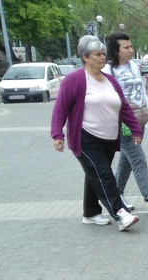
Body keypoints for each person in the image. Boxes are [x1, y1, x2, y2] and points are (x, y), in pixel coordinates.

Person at [50, 35, 142, 232]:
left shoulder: (110, 80)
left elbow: (124, 107)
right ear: (85, 57)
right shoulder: (74, 80)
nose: (103, 57)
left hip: (108, 138)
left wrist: (135, 128)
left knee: (96, 174)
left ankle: (90, 213)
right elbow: (60, 108)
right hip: (85, 138)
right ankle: (120, 213)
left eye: (103, 54)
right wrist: (57, 134)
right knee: (104, 175)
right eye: (97, 54)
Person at [104, 32, 148, 218]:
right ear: (116, 50)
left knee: (128, 159)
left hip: (140, 119)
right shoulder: (109, 71)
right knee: (138, 159)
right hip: (123, 122)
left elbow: (141, 90)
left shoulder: (134, 66)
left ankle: (116, 194)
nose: (131, 50)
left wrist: (147, 110)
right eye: (126, 47)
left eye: (131, 46)